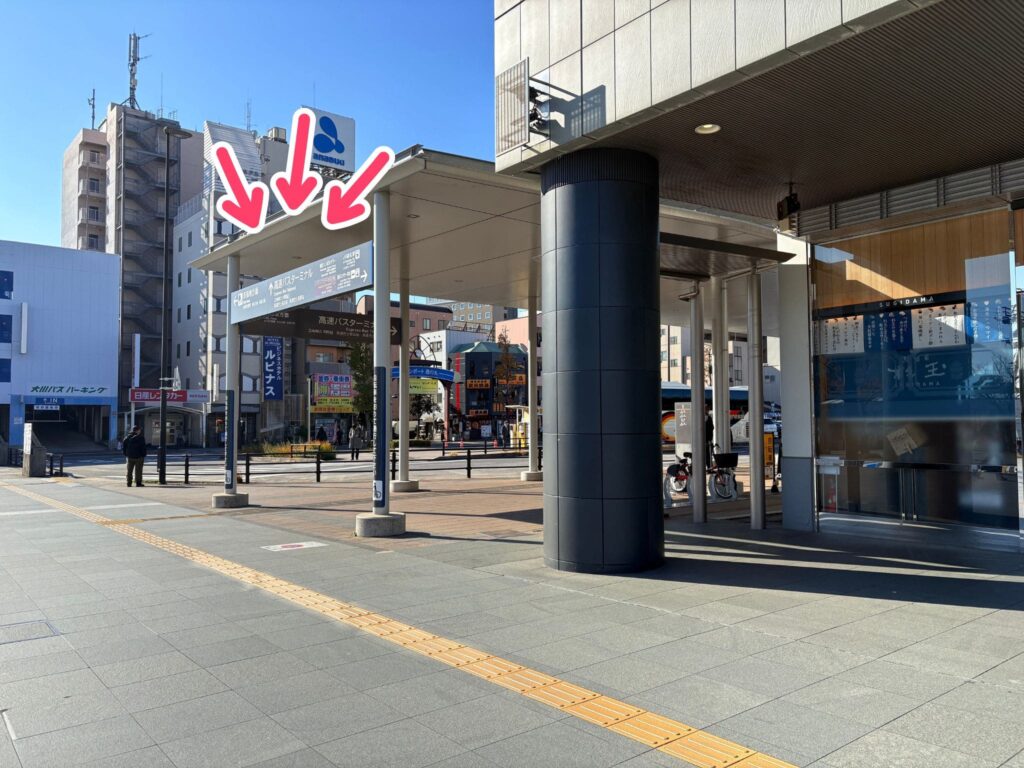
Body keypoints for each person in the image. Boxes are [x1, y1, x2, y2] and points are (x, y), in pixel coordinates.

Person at [705, 403, 715, 469]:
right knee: (708, 454)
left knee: (708, 454)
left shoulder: (707, 416)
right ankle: (709, 467)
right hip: (707, 439)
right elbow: (710, 428)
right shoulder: (707, 417)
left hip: (707, 439)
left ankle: (709, 466)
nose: (708, 410)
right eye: (707, 409)